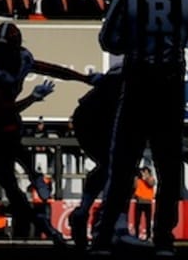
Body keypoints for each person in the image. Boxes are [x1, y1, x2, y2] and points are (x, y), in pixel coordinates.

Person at [89, 0, 188, 258]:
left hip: (139, 84)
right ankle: (163, 238)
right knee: (168, 165)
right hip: (170, 87)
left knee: (122, 162)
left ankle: (104, 237)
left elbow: (107, 41)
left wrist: (134, 42)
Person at [0, 20, 95, 244]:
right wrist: (32, 99)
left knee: (10, 149)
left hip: (5, 122)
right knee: (10, 185)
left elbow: (52, 69)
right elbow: (0, 110)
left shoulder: (22, 58)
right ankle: (43, 220)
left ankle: (34, 177)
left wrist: (84, 78)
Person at [67, 59, 126, 249]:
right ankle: (113, 225)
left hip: (86, 118)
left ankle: (83, 212)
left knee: (110, 166)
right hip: (96, 119)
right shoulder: (135, 77)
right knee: (118, 167)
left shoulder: (118, 76)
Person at [133, 164, 156, 241]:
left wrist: (146, 178)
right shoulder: (138, 179)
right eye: (142, 172)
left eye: (145, 172)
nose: (143, 173)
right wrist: (137, 177)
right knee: (137, 220)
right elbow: (135, 187)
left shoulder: (151, 178)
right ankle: (136, 235)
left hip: (148, 202)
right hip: (139, 202)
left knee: (148, 221)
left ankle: (149, 236)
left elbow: (151, 184)